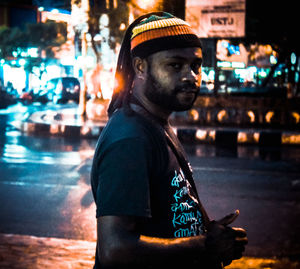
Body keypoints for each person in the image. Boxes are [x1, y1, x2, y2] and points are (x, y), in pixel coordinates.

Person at [90, 12, 247, 269]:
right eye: (175, 65)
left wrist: (207, 230)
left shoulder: (155, 122)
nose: (191, 76)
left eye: (195, 66)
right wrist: (206, 245)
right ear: (140, 66)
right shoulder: (130, 139)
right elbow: (115, 250)